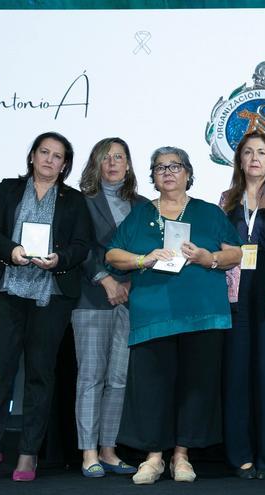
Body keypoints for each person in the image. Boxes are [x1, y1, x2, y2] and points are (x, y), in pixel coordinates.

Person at [105, 146, 242, 485]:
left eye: (175, 166)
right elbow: (112, 254)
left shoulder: (209, 212)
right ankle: (154, 458)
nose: (167, 172)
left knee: (196, 387)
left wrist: (207, 257)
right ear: (152, 176)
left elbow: (237, 252)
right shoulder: (139, 215)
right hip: (154, 316)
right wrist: (143, 259)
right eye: (160, 167)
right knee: (153, 389)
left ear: (188, 173)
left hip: (203, 314)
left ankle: (181, 456)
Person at [0, 131, 92, 483]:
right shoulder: (8, 188)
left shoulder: (74, 199)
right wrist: (10, 250)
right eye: (44, 152)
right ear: (32, 156)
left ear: (65, 165)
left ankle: (28, 455)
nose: (49, 160)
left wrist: (60, 259)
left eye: (57, 156)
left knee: (40, 375)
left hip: (51, 296)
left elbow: (82, 245)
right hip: (5, 291)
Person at [73, 138, 147, 478]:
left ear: (129, 164)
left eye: (119, 157)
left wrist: (130, 284)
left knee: (118, 379)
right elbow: (79, 248)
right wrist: (106, 279)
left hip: (131, 300)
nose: (113, 163)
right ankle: (88, 451)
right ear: (96, 164)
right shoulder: (82, 202)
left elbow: (152, 251)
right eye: (106, 157)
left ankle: (108, 449)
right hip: (92, 297)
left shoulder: (144, 205)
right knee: (91, 376)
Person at [219, 130, 265, 480]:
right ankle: (240, 456)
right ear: (240, 160)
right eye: (248, 152)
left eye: (261, 152)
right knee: (236, 376)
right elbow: (219, 247)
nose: (255, 159)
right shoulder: (226, 200)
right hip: (234, 294)